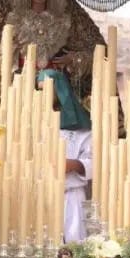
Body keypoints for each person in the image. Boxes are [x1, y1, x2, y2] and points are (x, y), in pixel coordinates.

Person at [39, 69, 93, 244]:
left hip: (71, 195)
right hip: (39, 195)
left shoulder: (81, 130)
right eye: (40, 90)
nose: (43, 95)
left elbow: (95, 161)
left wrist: (74, 164)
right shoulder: (31, 123)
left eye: (48, 89)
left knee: (74, 246)